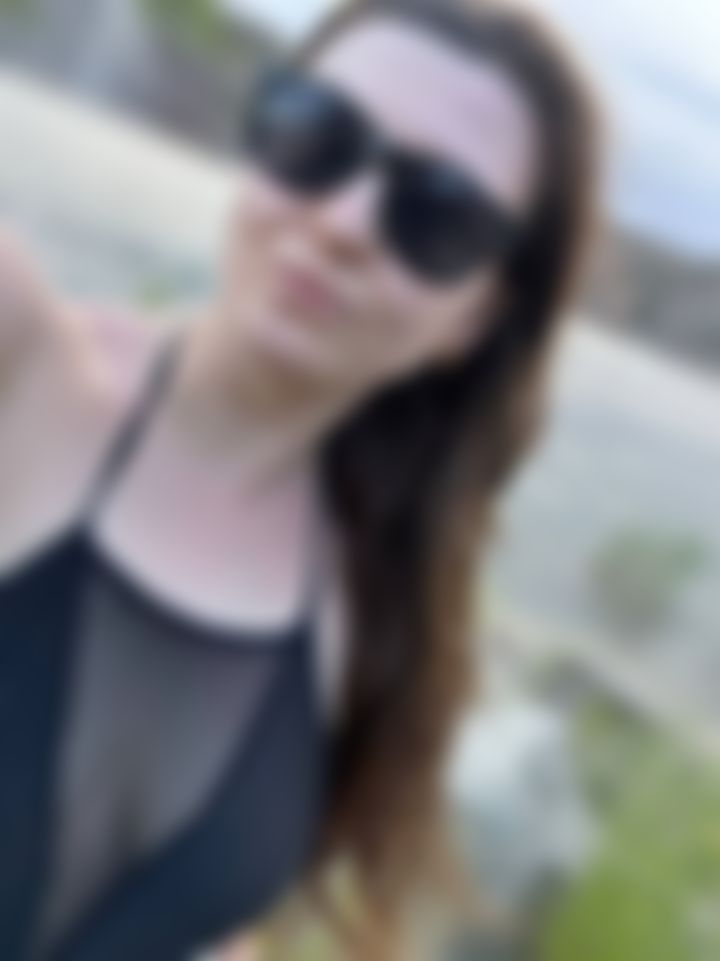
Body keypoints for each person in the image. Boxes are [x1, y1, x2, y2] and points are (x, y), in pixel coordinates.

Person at [0, 1, 600, 959]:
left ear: (476, 318)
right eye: (318, 132)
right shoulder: (20, 361)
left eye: (436, 213)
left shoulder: (377, 617)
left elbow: (199, 921)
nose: (344, 222)